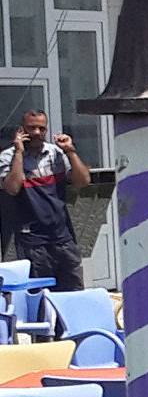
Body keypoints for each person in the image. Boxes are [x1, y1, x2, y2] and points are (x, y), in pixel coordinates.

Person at [0, 109, 93, 291]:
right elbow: (12, 188)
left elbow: (83, 181)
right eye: (31, 128)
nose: (36, 133)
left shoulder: (56, 154)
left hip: (62, 237)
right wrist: (19, 153)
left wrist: (70, 151)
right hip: (32, 241)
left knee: (72, 292)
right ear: (21, 129)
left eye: (41, 129)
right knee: (40, 296)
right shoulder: (8, 157)